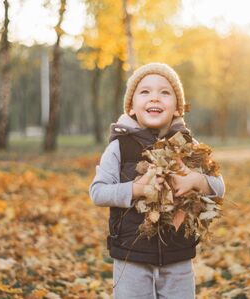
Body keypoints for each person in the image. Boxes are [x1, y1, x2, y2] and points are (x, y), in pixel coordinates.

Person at [89, 62, 225, 298]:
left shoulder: (189, 147)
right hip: (131, 255)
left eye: (164, 92)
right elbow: (98, 192)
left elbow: (220, 188)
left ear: (177, 109)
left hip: (178, 257)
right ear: (131, 107)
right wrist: (137, 189)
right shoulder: (119, 147)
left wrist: (195, 180)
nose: (155, 98)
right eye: (145, 92)